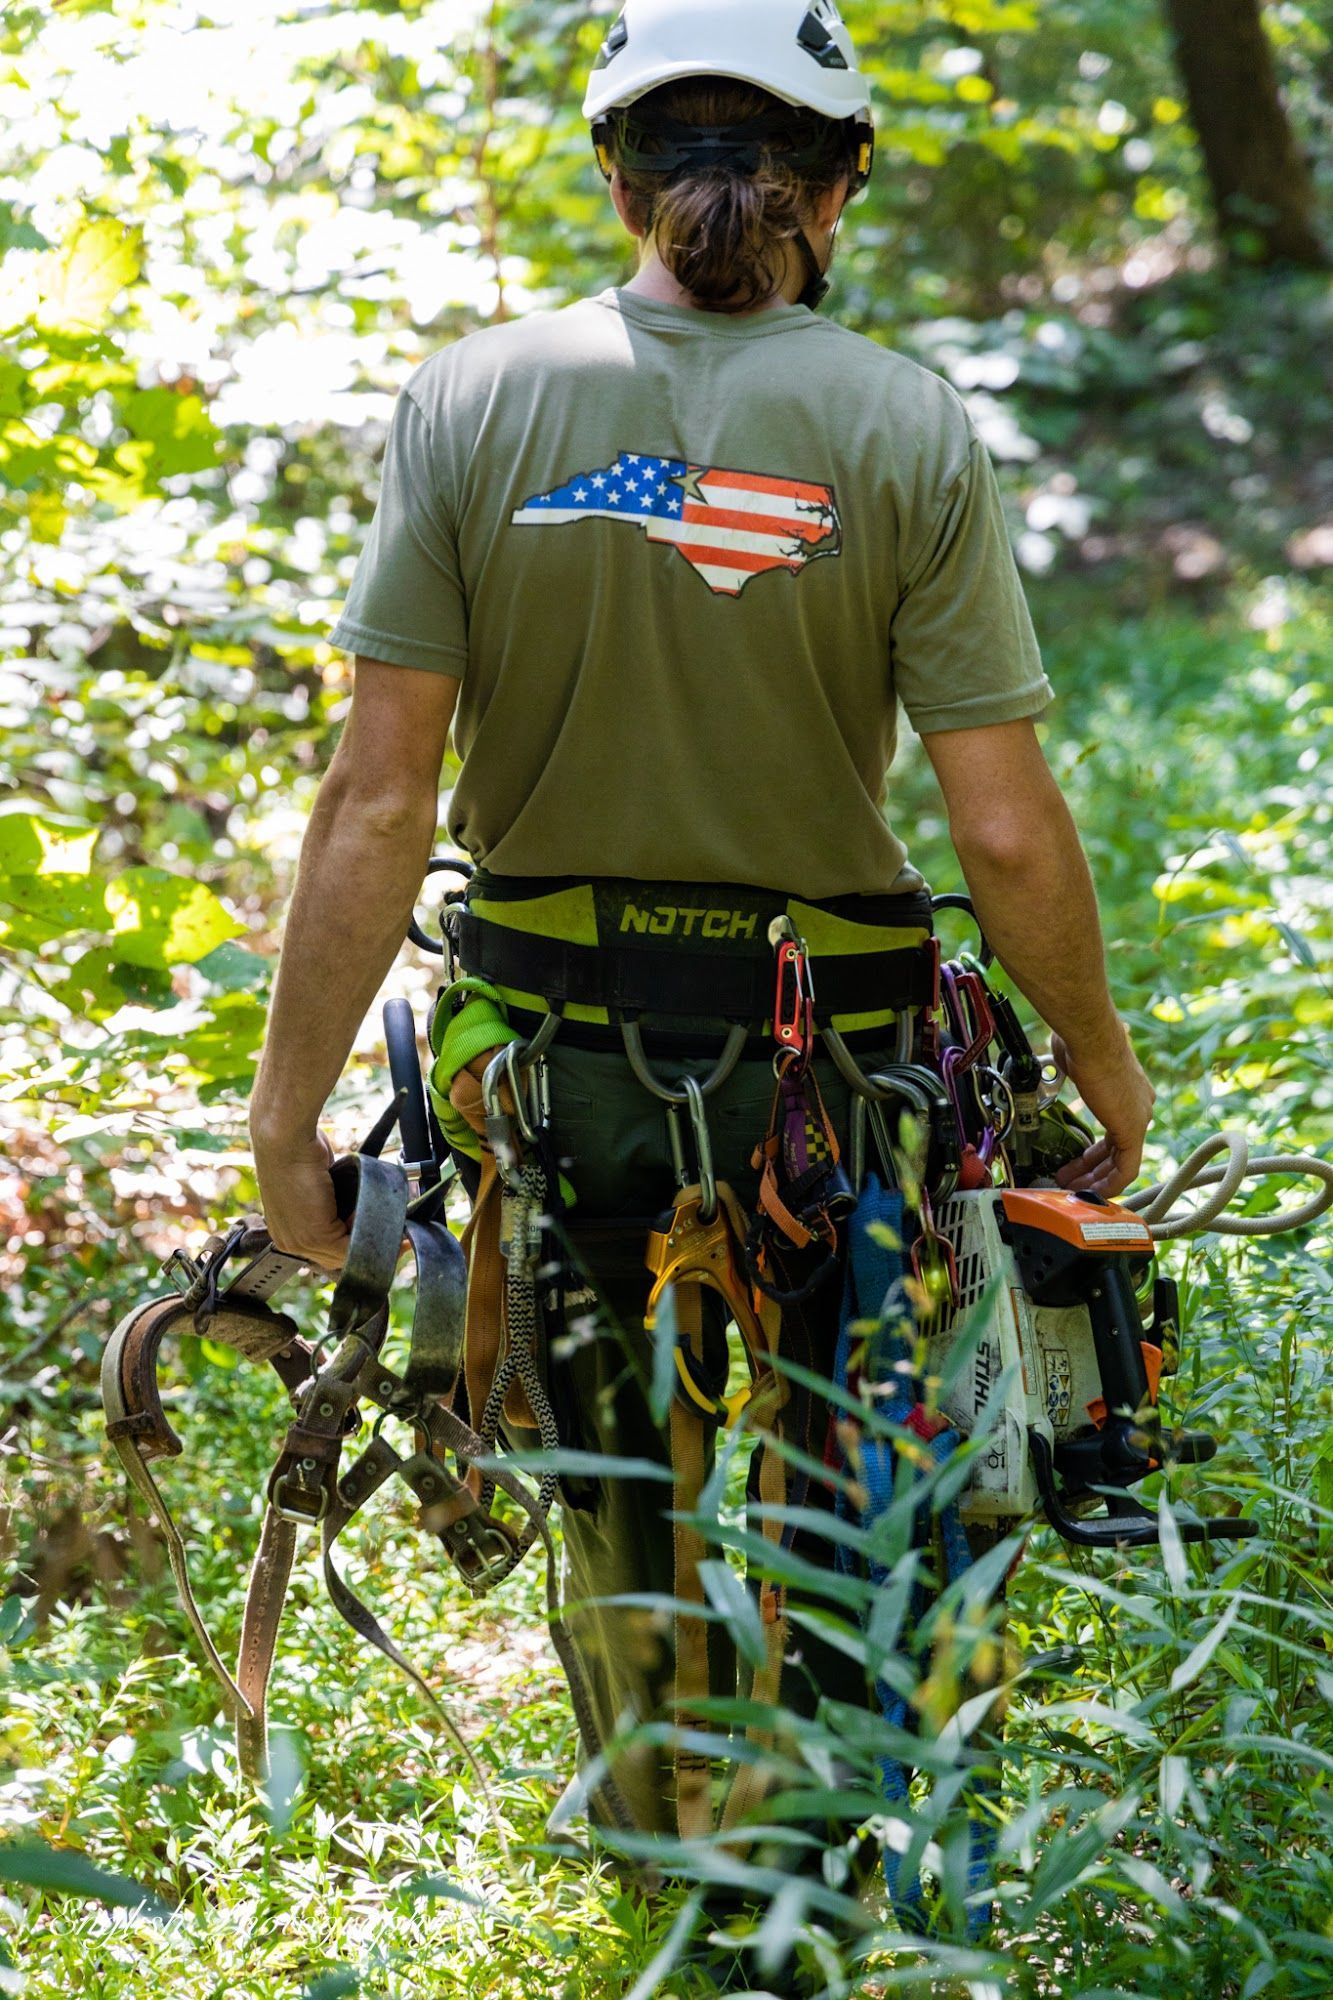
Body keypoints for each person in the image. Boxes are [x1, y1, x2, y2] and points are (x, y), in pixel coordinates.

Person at [249, 0, 1153, 1921]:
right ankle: (869, 1891)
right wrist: (1106, 1070)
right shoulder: (898, 419)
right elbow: (996, 824)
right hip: (828, 1075)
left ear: (617, 177)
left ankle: (693, 1885)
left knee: (619, 1513)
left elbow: (375, 793)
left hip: (558, 1061)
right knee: (863, 1506)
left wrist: (282, 1116)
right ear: (836, 191)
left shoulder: (475, 399)